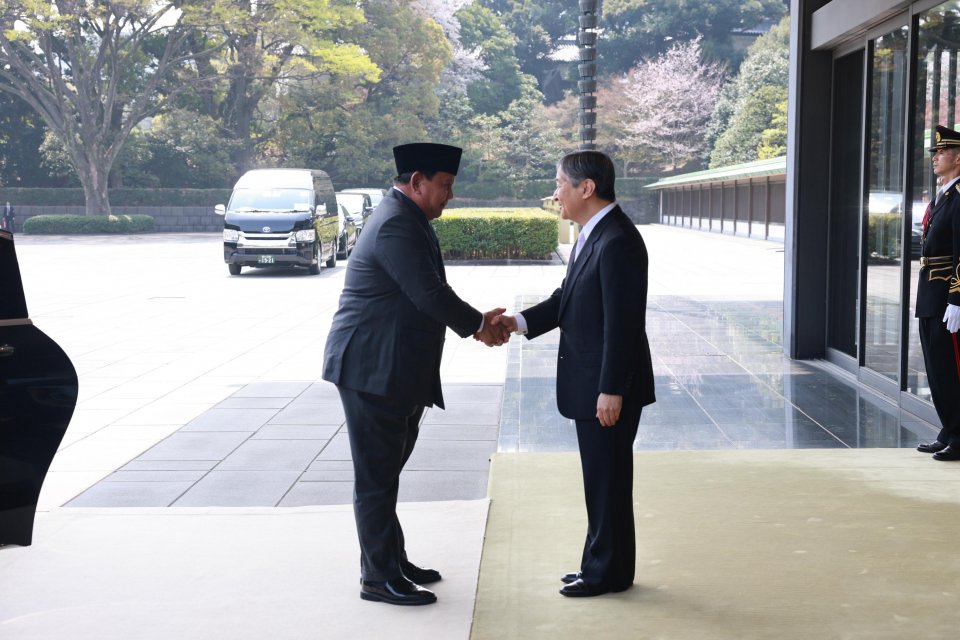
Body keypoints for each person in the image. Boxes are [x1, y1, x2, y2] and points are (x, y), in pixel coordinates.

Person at [322, 142, 510, 606]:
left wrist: (477, 323)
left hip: (393, 367)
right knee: (377, 477)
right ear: (416, 182)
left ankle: (390, 560)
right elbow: (429, 293)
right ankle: (378, 578)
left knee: (387, 471)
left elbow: (430, 292)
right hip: (371, 367)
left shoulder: (406, 217)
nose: (449, 194)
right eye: (444, 185)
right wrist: (479, 325)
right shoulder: (395, 225)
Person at [493, 150, 655, 596]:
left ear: (587, 188)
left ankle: (605, 573)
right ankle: (603, 565)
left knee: (607, 480)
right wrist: (518, 322)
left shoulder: (617, 240)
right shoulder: (593, 234)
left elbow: (623, 325)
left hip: (607, 387)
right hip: (596, 382)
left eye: (560, 182)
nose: (555, 192)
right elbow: (567, 298)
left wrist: (611, 390)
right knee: (603, 479)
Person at [917, 124, 960, 461]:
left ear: (958, 159)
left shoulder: (959, 199)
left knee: (951, 369)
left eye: (941, 152)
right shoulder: (945, 195)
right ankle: (949, 429)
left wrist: (957, 298)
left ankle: (959, 436)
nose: (935, 158)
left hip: (948, 296)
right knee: (936, 369)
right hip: (931, 296)